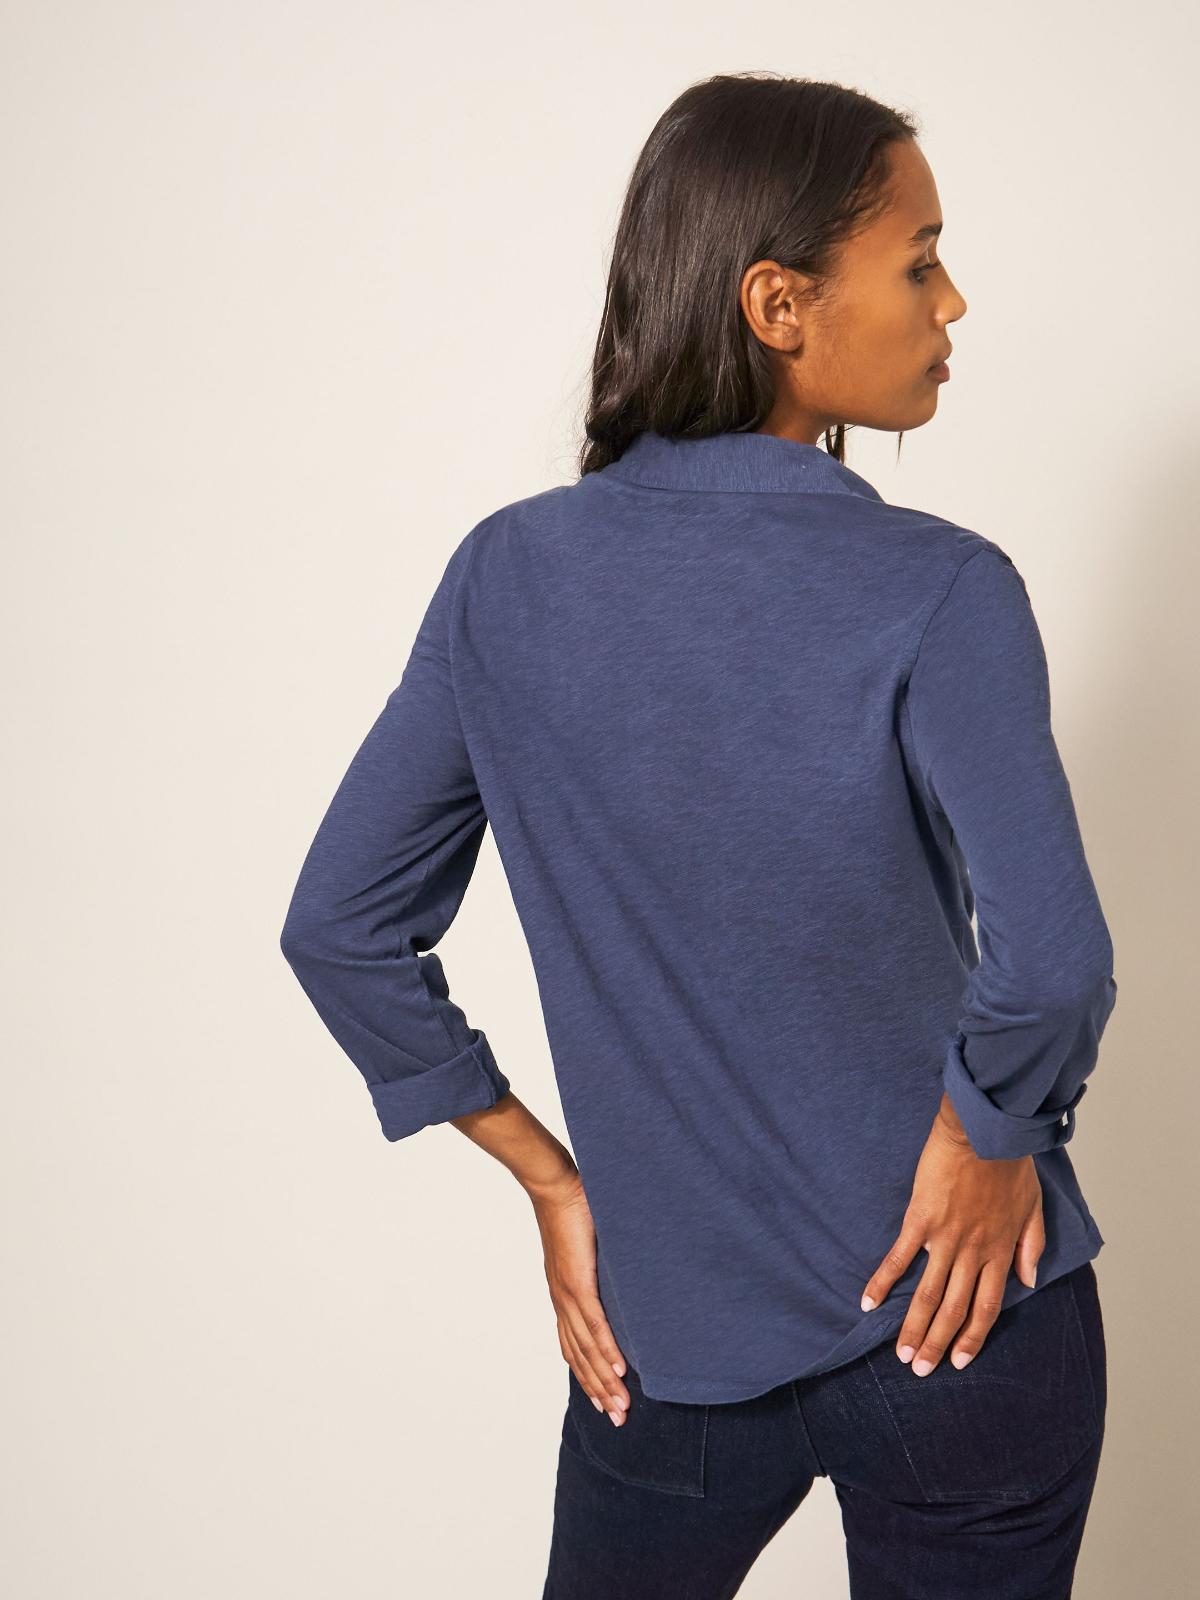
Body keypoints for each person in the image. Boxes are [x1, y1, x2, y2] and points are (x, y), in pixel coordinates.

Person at [280, 72, 1117, 1599]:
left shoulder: (505, 580)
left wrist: (554, 1183)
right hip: (961, 1320)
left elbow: (341, 926)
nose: (952, 304)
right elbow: (1052, 964)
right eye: (920, 262)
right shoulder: (942, 586)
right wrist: (988, 1140)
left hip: (667, 1339)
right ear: (777, 303)